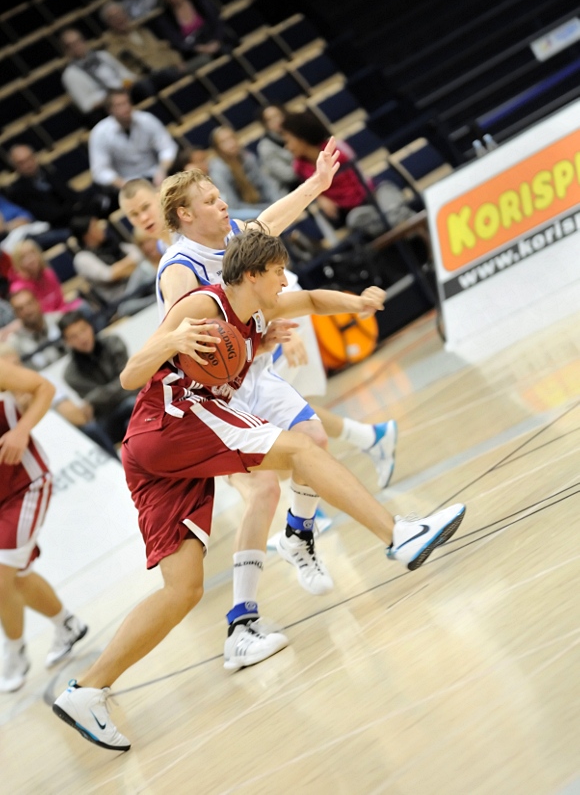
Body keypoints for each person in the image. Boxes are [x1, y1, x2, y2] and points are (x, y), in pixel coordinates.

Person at [51, 228, 465, 750]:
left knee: (184, 589)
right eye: (277, 273)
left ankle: (87, 690)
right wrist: (172, 340)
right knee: (302, 448)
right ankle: (397, 535)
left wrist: (358, 303)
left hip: (153, 456)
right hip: (174, 422)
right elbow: (132, 376)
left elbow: (311, 301)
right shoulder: (202, 305)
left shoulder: (257, 312)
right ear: (250, 275)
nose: (284, 281)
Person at [121, 165, 399, 674]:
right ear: (185, 214)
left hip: (250, 371)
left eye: (219, 194)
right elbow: (177, 348)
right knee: (265, 488)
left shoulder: (233, 236)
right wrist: (240, 343)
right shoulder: (179, 269)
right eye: (210, 199)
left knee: (312, 437)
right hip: (207, 395)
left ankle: (298, 534)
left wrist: (315, 186)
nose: (222, 202)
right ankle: (243, 618)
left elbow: (271, 226)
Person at [0, 357, 88, 693]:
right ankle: (67, 624)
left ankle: (14, 652)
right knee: (18, 576)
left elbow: (44, 387)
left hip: (24, 485)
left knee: (2, 575)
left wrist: (21, 430)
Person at [0, 343, 120, 460]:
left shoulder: (42, 381)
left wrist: (38, 404)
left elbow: (78, 418)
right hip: (38, 447)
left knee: (91, 429)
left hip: (65, 434)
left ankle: (119, 466)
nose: (14, 371)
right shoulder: (4, 400)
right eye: (8, 368)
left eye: (16, 364)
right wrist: (22, 411)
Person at [281, 108, 378, 230]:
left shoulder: (336, 148)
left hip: (370, 196)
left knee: (386, 193)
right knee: (355, 219)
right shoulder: (299, 168)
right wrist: (320, 198)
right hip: (347, 213)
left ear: (302, 138)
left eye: (288, 141)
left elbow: (362, 176)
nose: (287, 147)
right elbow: (311, 191)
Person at [58, 310, 140, 447]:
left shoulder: (113, 342)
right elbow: (108, 398)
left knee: (133, 408)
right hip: (108, 418)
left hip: (134, 401)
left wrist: (92, 399)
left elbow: (128, 382)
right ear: (67, 342)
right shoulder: (70, 374)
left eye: (83, 330)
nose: (82, 338)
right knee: (91, 432)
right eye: (74, 336)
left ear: (91, 327)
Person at [88, 89, 179, 198]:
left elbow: (168, 147)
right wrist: (124, 185)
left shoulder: (147, 119)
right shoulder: (99, 133)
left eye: (127, 102)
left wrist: (162, 170)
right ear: (110, 110)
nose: (126, 108)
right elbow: (100, 171)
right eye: (119, 105)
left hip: (155, 174)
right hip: (126, 183)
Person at [68, 211, 156, 319]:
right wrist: (130, 266)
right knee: (143, 269)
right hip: (121, 300)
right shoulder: (82, 258)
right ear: (86, 235)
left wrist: (122, 269)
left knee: (147, 270)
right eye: (95, 226)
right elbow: (109, 275)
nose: (101, 227)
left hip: (140, 286)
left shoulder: (110, 243)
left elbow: (138, 252)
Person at [6, 145, 91, 245]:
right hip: (55, 226)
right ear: (15, 167)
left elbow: (71, 194)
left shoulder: (48, 171)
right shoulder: (18, 191)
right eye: (22, 163)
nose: (28, 164)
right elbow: (45, 215)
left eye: (30, 158)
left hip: (73, 213)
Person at [153, 0, 234, 70]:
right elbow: (178, 42)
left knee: (226, 48)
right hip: (193, 53)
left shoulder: (199, 1)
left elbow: (217, 22)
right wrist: (202, 48)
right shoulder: (164, 19)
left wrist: (216, 41)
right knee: (204, 60)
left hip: (215, 40)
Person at [100, 0, 186, 87]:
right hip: (151, 78)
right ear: (108, 23)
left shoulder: (141, 30)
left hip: (170, 67)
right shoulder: (113, 45)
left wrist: (177, 61)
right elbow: (128, 69)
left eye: (120, 14)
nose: (118, 19)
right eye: (113, 18)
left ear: (126, 14)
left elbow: (163, 47)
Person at [207, 126, 280, 219]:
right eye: (224, 142)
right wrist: (266, 211)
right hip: (248, 215)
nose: (231, 143)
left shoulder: (247, 157)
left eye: (231, 138)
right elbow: (233, 207)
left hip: (265, 205)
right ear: (217, 148)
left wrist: (278, 203)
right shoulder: (218, 172)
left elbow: (266, 184)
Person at [8, 238, 85, 315]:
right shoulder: (18, 289)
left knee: (83, 306)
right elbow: (34, 315)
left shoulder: (48, 273)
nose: (30, 259)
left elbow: (60, 300)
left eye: (32, 254)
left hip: (61, 311)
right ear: (18, 263)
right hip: (44, 319)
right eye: (24, 258)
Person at [7, 289, 65, 370]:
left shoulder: (60, 320)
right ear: (16, 314)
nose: (27, 311)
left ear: (38, 302)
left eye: (29, 304)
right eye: (20, 309)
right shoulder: (14, 343)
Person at [256, 103, 300, 198]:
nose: (276, 121)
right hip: (289, 191)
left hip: (309, 175)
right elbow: (288, 176)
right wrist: (308, 166)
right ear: (265, 125)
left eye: (277, 115)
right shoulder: (265, 147)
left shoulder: (297, 130)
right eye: (270, 119)